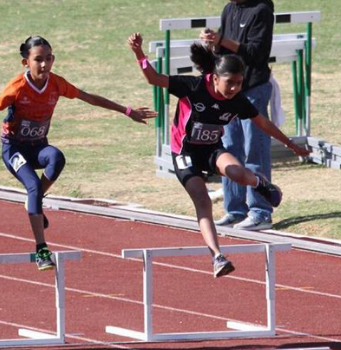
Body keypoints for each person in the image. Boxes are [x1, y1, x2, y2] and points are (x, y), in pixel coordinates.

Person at [0, 36, 156, 271]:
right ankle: (41, 248)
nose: (44, 65)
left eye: (48, 59)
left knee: (56, 158)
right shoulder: (17, 87)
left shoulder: (57, 84)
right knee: (33, 187)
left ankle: (34, 202)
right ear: (25, 62)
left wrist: (127, 111)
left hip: (38, 146)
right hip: (14, 148)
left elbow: (89, 98)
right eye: (38, 60)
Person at [127, 33, 308, 277]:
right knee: (202, 200)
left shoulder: (237, 101)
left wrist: (290, 143)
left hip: (211, 149)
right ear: (214, 78)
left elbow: (262, 123)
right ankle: (217, 256)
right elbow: (154, 78)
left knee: (237, 173)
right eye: (230, 82)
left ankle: (259, 183)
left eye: (239, 83)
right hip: (185, 153)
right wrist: (139, 53)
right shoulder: (193, 86)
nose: (234, 88)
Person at [200, 0, 278, 230]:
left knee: (255, 149)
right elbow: (226, 50)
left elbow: (256, 53)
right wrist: (214, 44)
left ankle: (261, 211)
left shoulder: (261, 10)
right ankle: (235, 210)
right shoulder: (229, 9)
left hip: (253, 89)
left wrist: (222, 40)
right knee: (229, 149)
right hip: (229, 93)